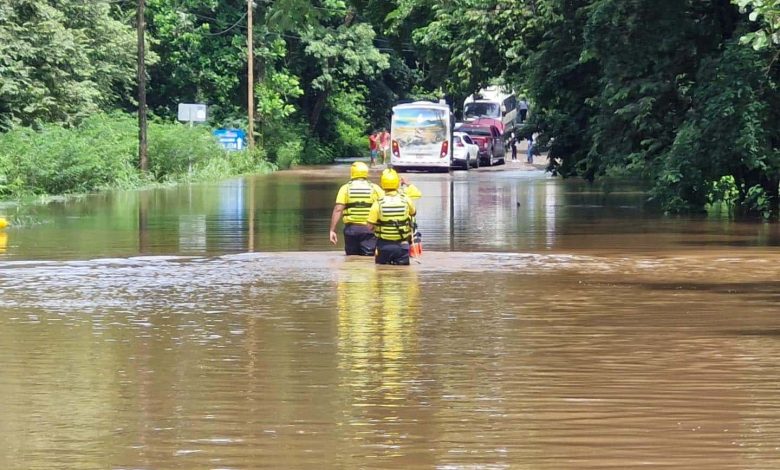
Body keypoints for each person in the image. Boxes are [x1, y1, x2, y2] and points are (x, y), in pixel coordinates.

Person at [329, 161, 385, 256]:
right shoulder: (375, 188)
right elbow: (385, 207)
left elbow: (338, 209)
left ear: (352, 172)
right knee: (368, 259)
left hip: (351, 230)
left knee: (351, 258)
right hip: (369, 230)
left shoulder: (345, 188)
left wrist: (332, 230)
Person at [367, 169, 416, 266]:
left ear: (382, 183)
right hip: (402, 245)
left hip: (384, 246)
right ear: (397, 183)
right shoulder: (406, 199)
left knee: (381, 273)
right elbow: (413, 213)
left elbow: (369, 226)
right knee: (403, 275)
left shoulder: (378, 203)